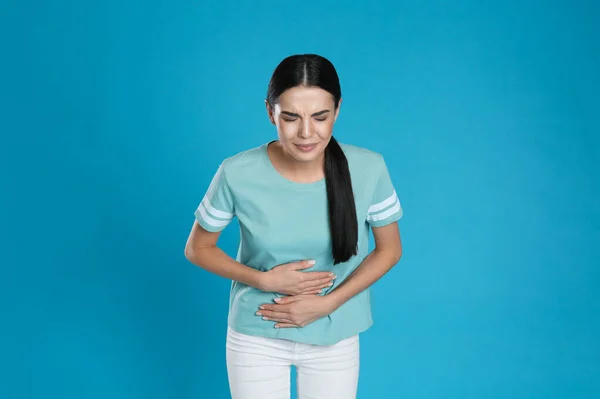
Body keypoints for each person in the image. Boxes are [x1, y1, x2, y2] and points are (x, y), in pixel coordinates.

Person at [184, 53, 403, 399]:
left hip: (334, 333)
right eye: (290, 117)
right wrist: (263, 279)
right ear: (270, 112)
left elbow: (390, 249)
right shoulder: (236, 172)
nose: (306, 132)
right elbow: (197, 248)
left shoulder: (369, 169)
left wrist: (329, 303)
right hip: (256, 334)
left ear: (337, 111)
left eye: (320, 117)